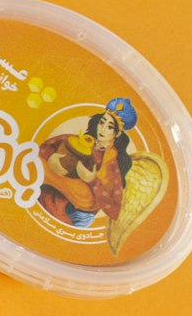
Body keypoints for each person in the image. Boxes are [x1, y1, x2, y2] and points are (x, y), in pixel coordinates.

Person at [37, 97, 137, 228]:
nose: (102, 129)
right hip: (49, 194)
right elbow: (41, 149)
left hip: (77, 212)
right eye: (102, 122)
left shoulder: (113, 163)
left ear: (117, 134)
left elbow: (114, 208)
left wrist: (92, 180)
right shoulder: (80, 140)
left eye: (110, 127)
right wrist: (50, 156)